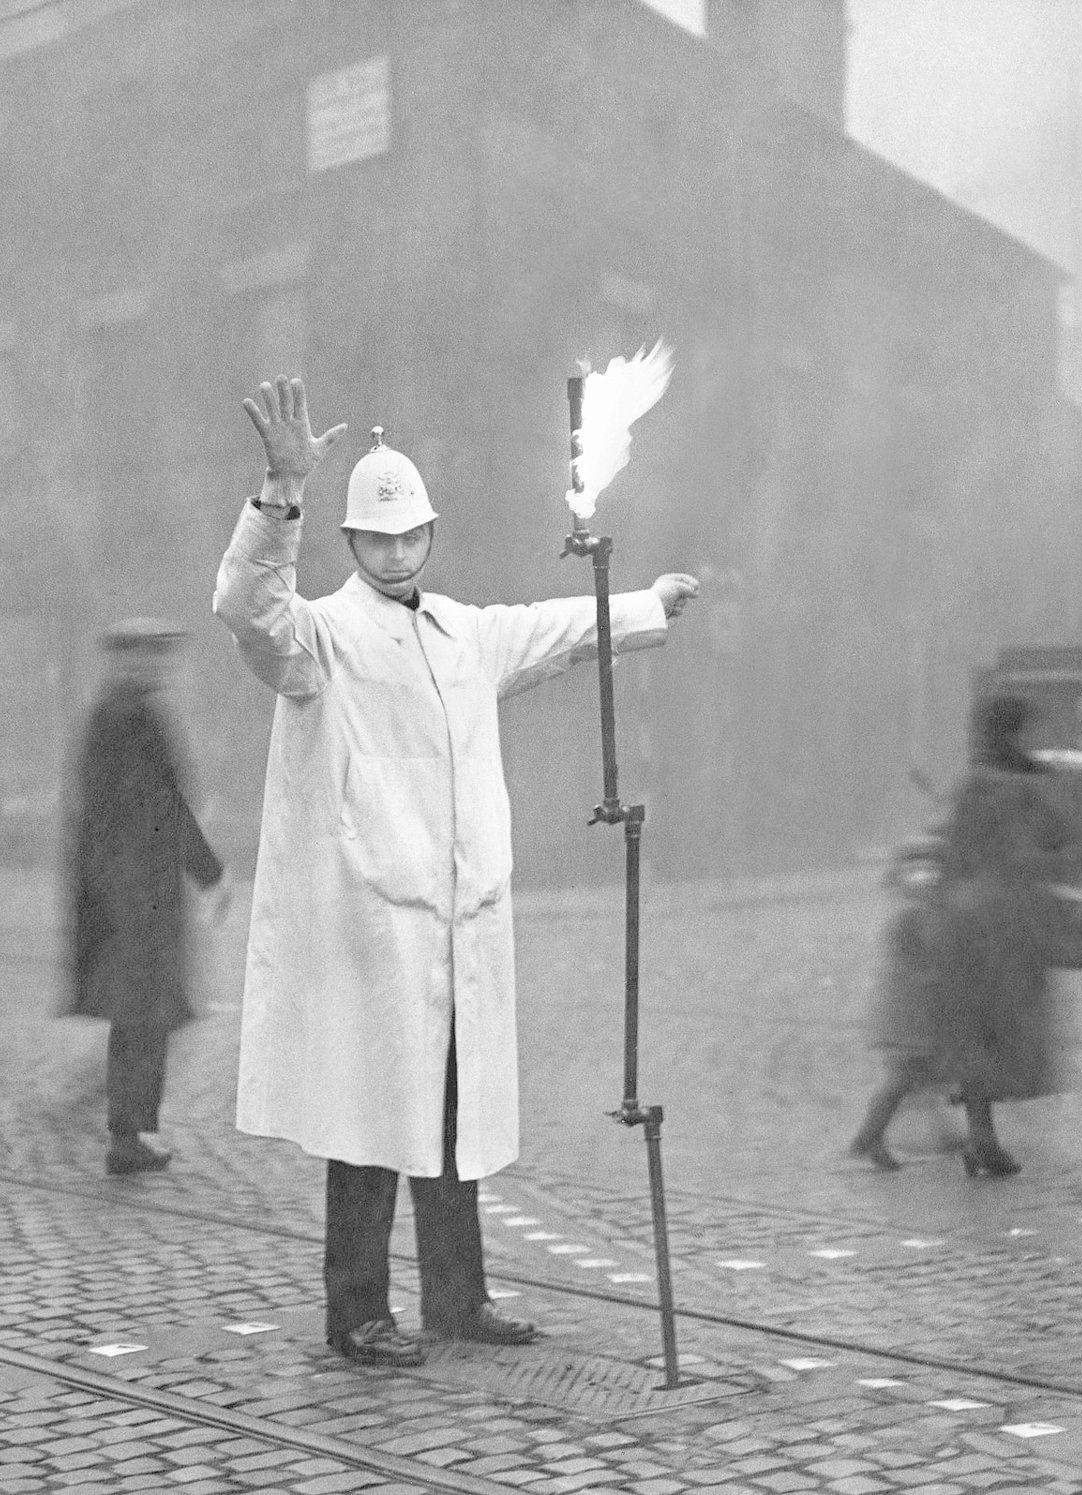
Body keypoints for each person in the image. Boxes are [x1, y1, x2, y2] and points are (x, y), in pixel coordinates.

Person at [212, 376, 699, 1369]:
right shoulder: (324, 638)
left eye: (409, 537)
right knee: (367, 1125)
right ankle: (356, 1313)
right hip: (374, 926)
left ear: (429, 536)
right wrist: (281, 489)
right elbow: (248, 609)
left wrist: (648, 604)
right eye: (378, 540)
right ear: (351, 543)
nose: (395, 554)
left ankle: (456, 1298)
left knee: (451, 1119)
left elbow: (555, 630)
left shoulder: (463, 634)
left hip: (458, 921)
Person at [65, 619, 230, 1177]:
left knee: (142, 1013)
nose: (156, 665)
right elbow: (164, 808)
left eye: (160, 655)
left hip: (131, 890)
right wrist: (208, 871)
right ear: (121, 659)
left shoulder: (116, 712)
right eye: (144, 655)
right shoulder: (129, 717)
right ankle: (131, 1133)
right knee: (146, 1013)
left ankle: (132, 1127)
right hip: (137, 894)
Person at [930, 695, 1079, 1178]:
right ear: (1015, 733)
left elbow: (955, 850)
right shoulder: (1030, 784)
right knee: (1005, 1024)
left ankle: (982, 1134)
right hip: (1012, 918)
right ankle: (983, 1139)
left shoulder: (976, 783)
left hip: (970, 915)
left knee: (976, 1025)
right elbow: (1060, 837)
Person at [847, 835, 951, 1171]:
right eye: (918, 872)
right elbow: (914, 961)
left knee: (913, 1076)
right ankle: (868, 1135)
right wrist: (934, 975)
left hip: (913, 1011)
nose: (927, 878)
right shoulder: (910, 916)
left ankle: (877, 1137)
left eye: (932, 871)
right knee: (904, 1076)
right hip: (909, 1013)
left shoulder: (921, 913)